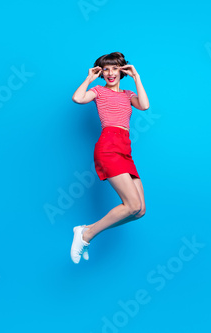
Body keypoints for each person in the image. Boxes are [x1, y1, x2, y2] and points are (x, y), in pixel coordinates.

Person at [70, 51, 150, 264]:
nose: (110, 73)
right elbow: (78, 98)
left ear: (121, 71)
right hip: (108, 146)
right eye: (106, 69)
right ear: (101, 73)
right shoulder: (97, 91)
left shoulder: (127, 94)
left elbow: (144, 105)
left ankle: (86, 230)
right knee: (131, 205)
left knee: (139, 210)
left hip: (125, 149)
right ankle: (86, 235)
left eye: (114, 68)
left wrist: (137, 77)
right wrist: (89, 78)